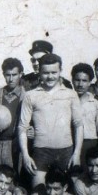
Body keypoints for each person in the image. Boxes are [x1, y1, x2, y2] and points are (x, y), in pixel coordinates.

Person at [18, 53, 83, 187]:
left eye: (54, 72)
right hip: (41, 151)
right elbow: (22, 128)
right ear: (39, 72)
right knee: (38, 191)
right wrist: (25, 155)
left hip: (66, 150)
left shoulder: (70, 94)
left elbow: (78, 125)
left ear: (60, 71)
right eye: (45, 73)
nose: (50, 76)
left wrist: (76, 154)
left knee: (73, 191)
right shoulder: (30, 96)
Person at [71, 63, 98, 164]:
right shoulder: (67, 101)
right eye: (77, 80)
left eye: (84, 81)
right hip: (71, 144)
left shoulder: (96, 104)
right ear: (72, 80)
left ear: (90, 82)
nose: (80, 84)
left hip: (89, 144)